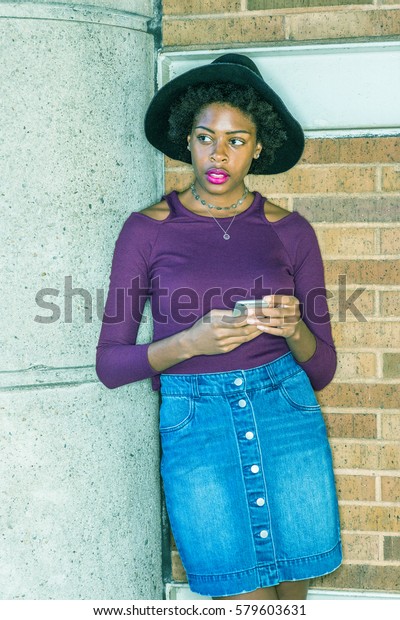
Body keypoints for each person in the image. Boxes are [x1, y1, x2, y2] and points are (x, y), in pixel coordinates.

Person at [96, 54, 342, 600]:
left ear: (258, 146)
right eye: (207, 137)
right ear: (188, 140)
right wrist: (188, 344)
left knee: (290, 594)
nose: (219, 153)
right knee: (239, 598)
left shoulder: (291, 230)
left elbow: (322, 368)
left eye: (237, 140)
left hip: (285, 411)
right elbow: (110, 364)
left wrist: (295, 327)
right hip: (196, 421)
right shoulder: (146, 231)